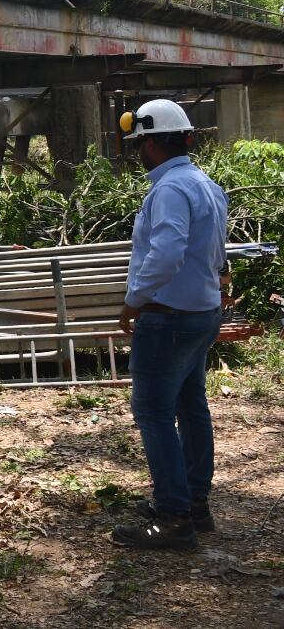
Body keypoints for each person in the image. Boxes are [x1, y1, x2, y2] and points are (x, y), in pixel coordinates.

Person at [112, 98, 228, 551]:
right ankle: (195, 501)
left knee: (154, 413)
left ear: (152, 143)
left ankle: (174, 516)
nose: (136, 152)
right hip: (202, 312)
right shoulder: (205, 184)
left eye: (138, 143)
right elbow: (216, 251)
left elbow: (166, 252)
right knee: (190, 404)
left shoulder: (168, 190)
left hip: (169, 317)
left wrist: (133, 301)